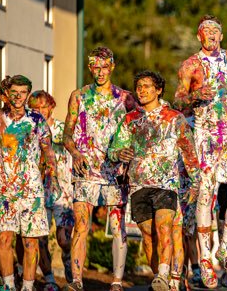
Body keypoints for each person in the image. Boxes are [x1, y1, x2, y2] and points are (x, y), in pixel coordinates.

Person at [108, 71, 201, 291]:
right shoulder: (130, 119)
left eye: (147, 86)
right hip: (139, 184)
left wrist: (196, 182)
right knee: (149, 238)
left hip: (166, 183)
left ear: (159, 90)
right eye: (139, 86)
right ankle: (160, 279)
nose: (142, 90)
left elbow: (189, 150)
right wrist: (119, 153)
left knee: (165, 227)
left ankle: (164, 274)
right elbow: (113, 150)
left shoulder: (174, 117)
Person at [174, 14, 227, 288]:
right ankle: (205, 259)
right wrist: (195, 96)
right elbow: (178, 99)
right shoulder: (191, 64)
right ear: (199, 36)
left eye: (216, 31)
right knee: (207, 194)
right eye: (207, 32)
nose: (212, 36)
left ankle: (224, 248)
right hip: (205, 135)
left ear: (222, 35)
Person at [63, 46, 136, 291]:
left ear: (112, 67)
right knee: (81, 224)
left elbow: (139, 128)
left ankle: (116, 281)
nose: (100, 71)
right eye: (96, 66)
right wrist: (74, 153)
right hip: (85, 170)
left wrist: (129, 158)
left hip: (115, 172)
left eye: (105, 66)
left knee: (117, 226)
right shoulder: (79, 95)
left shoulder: (125, 98)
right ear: (90, 67)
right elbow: (67, 133)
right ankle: (76, 280)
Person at [0, 75, 57, 291]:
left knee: (30, 243)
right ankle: (8, 286)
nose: (18, 97)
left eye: (22, 92)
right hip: (4, 189)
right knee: (4, 239)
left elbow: (48, 152)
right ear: (7, 94)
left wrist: (51, 178)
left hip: (32, 191)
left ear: (27, 95)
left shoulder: (37, 120)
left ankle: (28, 287)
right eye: (14, 92)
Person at [28, 91, 73, 291]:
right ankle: (50, 281)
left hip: (63, 190)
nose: (39, 111)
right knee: (41, 239)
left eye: (43, 107)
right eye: (35, 108)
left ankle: (69, 258)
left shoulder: (64, 129)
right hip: (38, 191)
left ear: (51, 107)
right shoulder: (28, 131)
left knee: (64, 239)